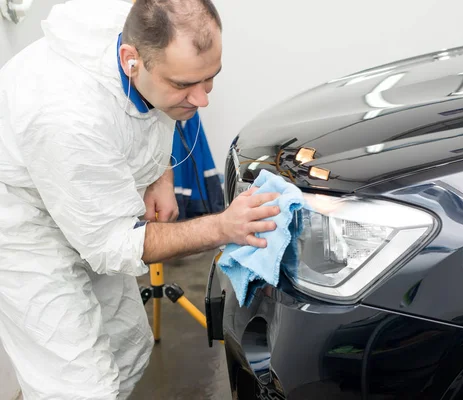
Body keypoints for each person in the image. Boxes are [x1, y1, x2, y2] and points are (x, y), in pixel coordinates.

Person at [0, 0, 280, 398]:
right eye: (184, 85)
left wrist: (158, 176)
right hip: (22, 223)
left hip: (85, 189)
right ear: (131, 60)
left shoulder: (140, 25)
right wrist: (221, 226)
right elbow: (113, 244)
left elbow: (151, 114)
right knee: (76, 386)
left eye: (210, 79)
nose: (203, 100)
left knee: (126, 347)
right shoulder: (69, 118)